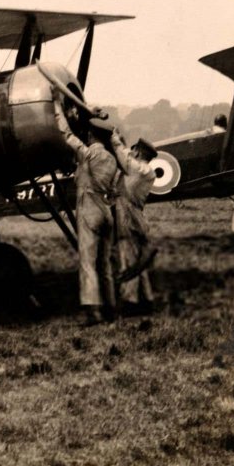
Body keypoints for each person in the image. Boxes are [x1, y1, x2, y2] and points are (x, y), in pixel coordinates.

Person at [53, 92, 121, 325]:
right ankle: (111, 309)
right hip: (106, 210)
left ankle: (93, 312)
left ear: (92, 134)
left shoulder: (89, 154)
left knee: (87, 263)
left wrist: (56, 105)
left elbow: (67, 134)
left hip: (89, 208)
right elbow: (113, 191)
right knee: (105, 264)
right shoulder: (113, 160)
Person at [110, 132, 158, 313]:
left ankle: (130, 302)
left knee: (128, 258)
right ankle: (147, 299)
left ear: (138, 152)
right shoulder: (148, 172)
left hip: (126, 214)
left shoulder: (135, 168)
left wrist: (113, 134)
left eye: (134, 150)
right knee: (139, 261)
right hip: (137, 215)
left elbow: (118, 149)